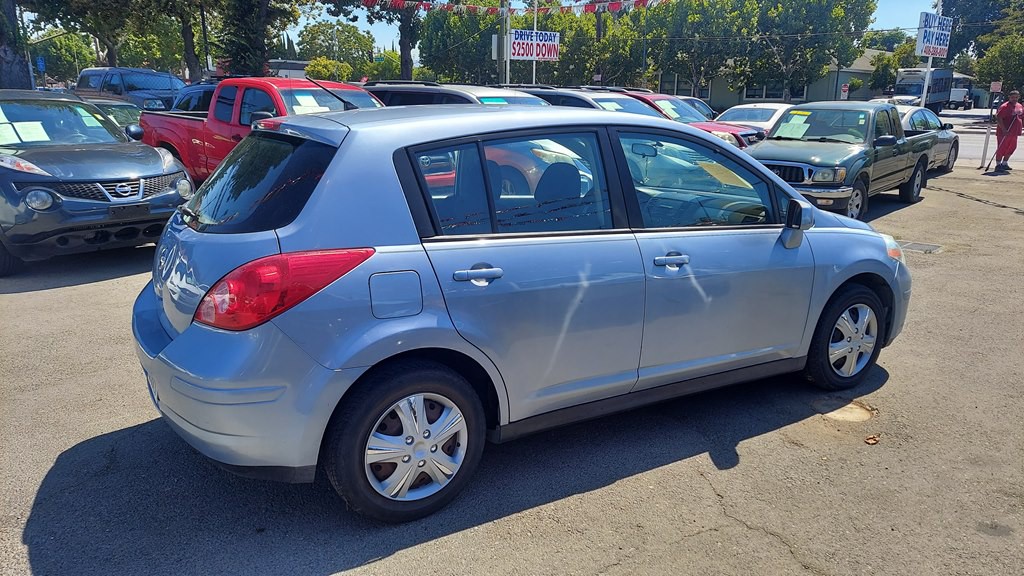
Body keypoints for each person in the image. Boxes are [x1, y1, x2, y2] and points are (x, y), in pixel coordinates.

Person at [995, 90, 1023, 171]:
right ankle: (998, 164)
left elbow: (1021, 117)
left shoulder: (1019, 106)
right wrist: (1004, 129)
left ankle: (1004, 163)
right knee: (1001, 148)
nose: (1014, 99)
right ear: (1009, 97)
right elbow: (999, 118)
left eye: (1016, 97)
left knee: (1012, 148)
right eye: (1013, 97)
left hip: (1015, 132)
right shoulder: (1005, 106)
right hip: (1004, 132)